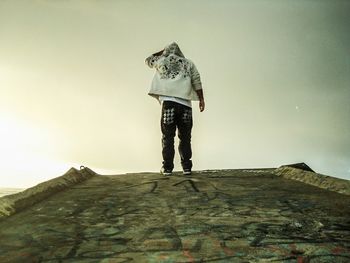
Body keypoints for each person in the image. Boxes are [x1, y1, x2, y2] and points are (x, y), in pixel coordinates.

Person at [145, 42, 205, 176]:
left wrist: (162, 52)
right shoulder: (188, 63)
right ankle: (187, 167)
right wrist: (201, 99)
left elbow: (148, 60)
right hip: (185, 106)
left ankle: (167, 168)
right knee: (185, 137)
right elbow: (196, 79)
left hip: (169, 104)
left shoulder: (161, 60)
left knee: (168, 136)